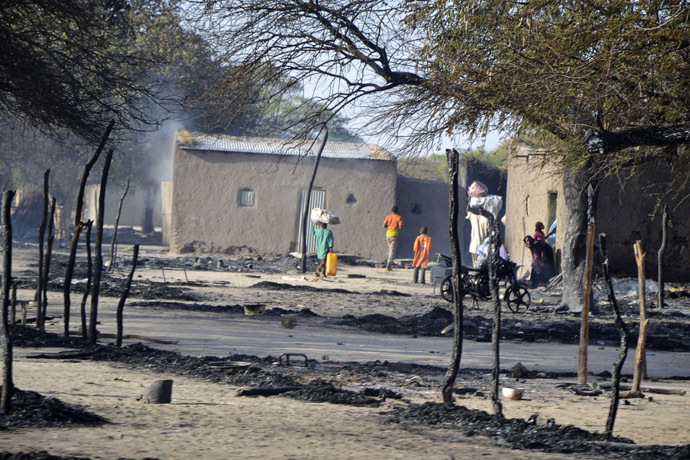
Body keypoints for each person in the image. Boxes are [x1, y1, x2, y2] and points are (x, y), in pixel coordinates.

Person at [383, 205, 403, 271]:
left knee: (390, 249)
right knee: (392, 251)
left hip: (388, 235)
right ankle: (389, 264)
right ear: (397, 211)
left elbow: (384, 225)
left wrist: (389, 225)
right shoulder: (399, 217)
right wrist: (397, 226)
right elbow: (401, 226)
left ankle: (388, 263)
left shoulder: (388, 217)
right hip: (394, 235)